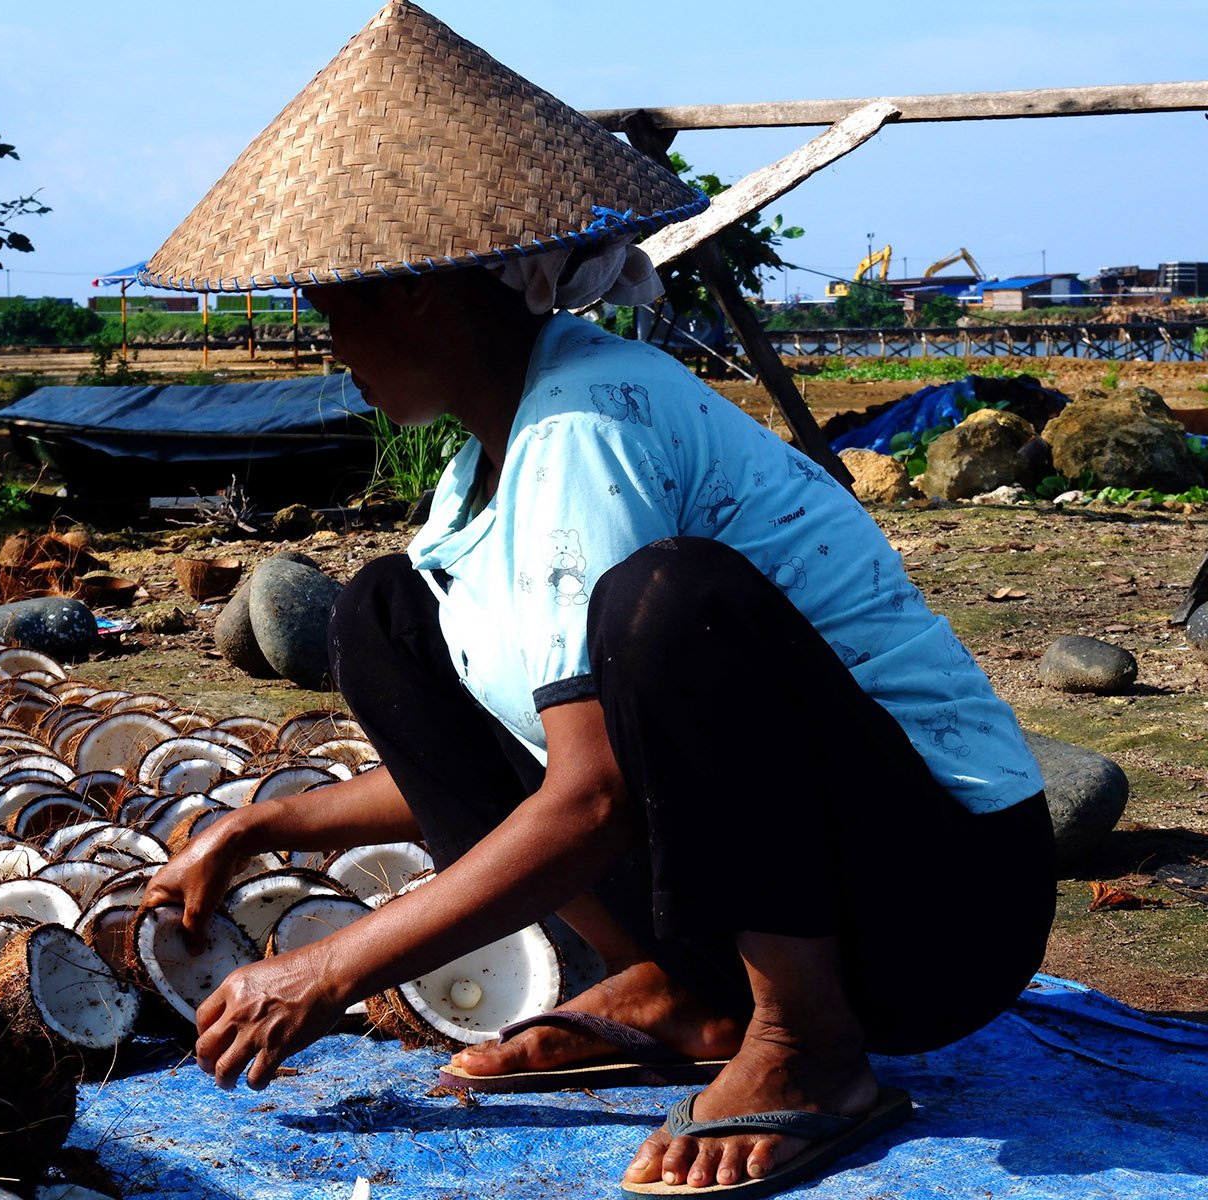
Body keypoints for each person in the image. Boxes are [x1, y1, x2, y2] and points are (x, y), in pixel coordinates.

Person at [138, 4, 1055, 1195]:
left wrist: (332, 967)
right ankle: (685, 994)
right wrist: (257, 825)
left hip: (939, 897)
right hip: (806, 880)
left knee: (671, 601)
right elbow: (525, 756)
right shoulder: (485, 469)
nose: (328, 334)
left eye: (337, 299)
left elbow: (596, 795)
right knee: (384, 620)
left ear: (416, 292)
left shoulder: (593, 417)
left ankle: (809, 1045)